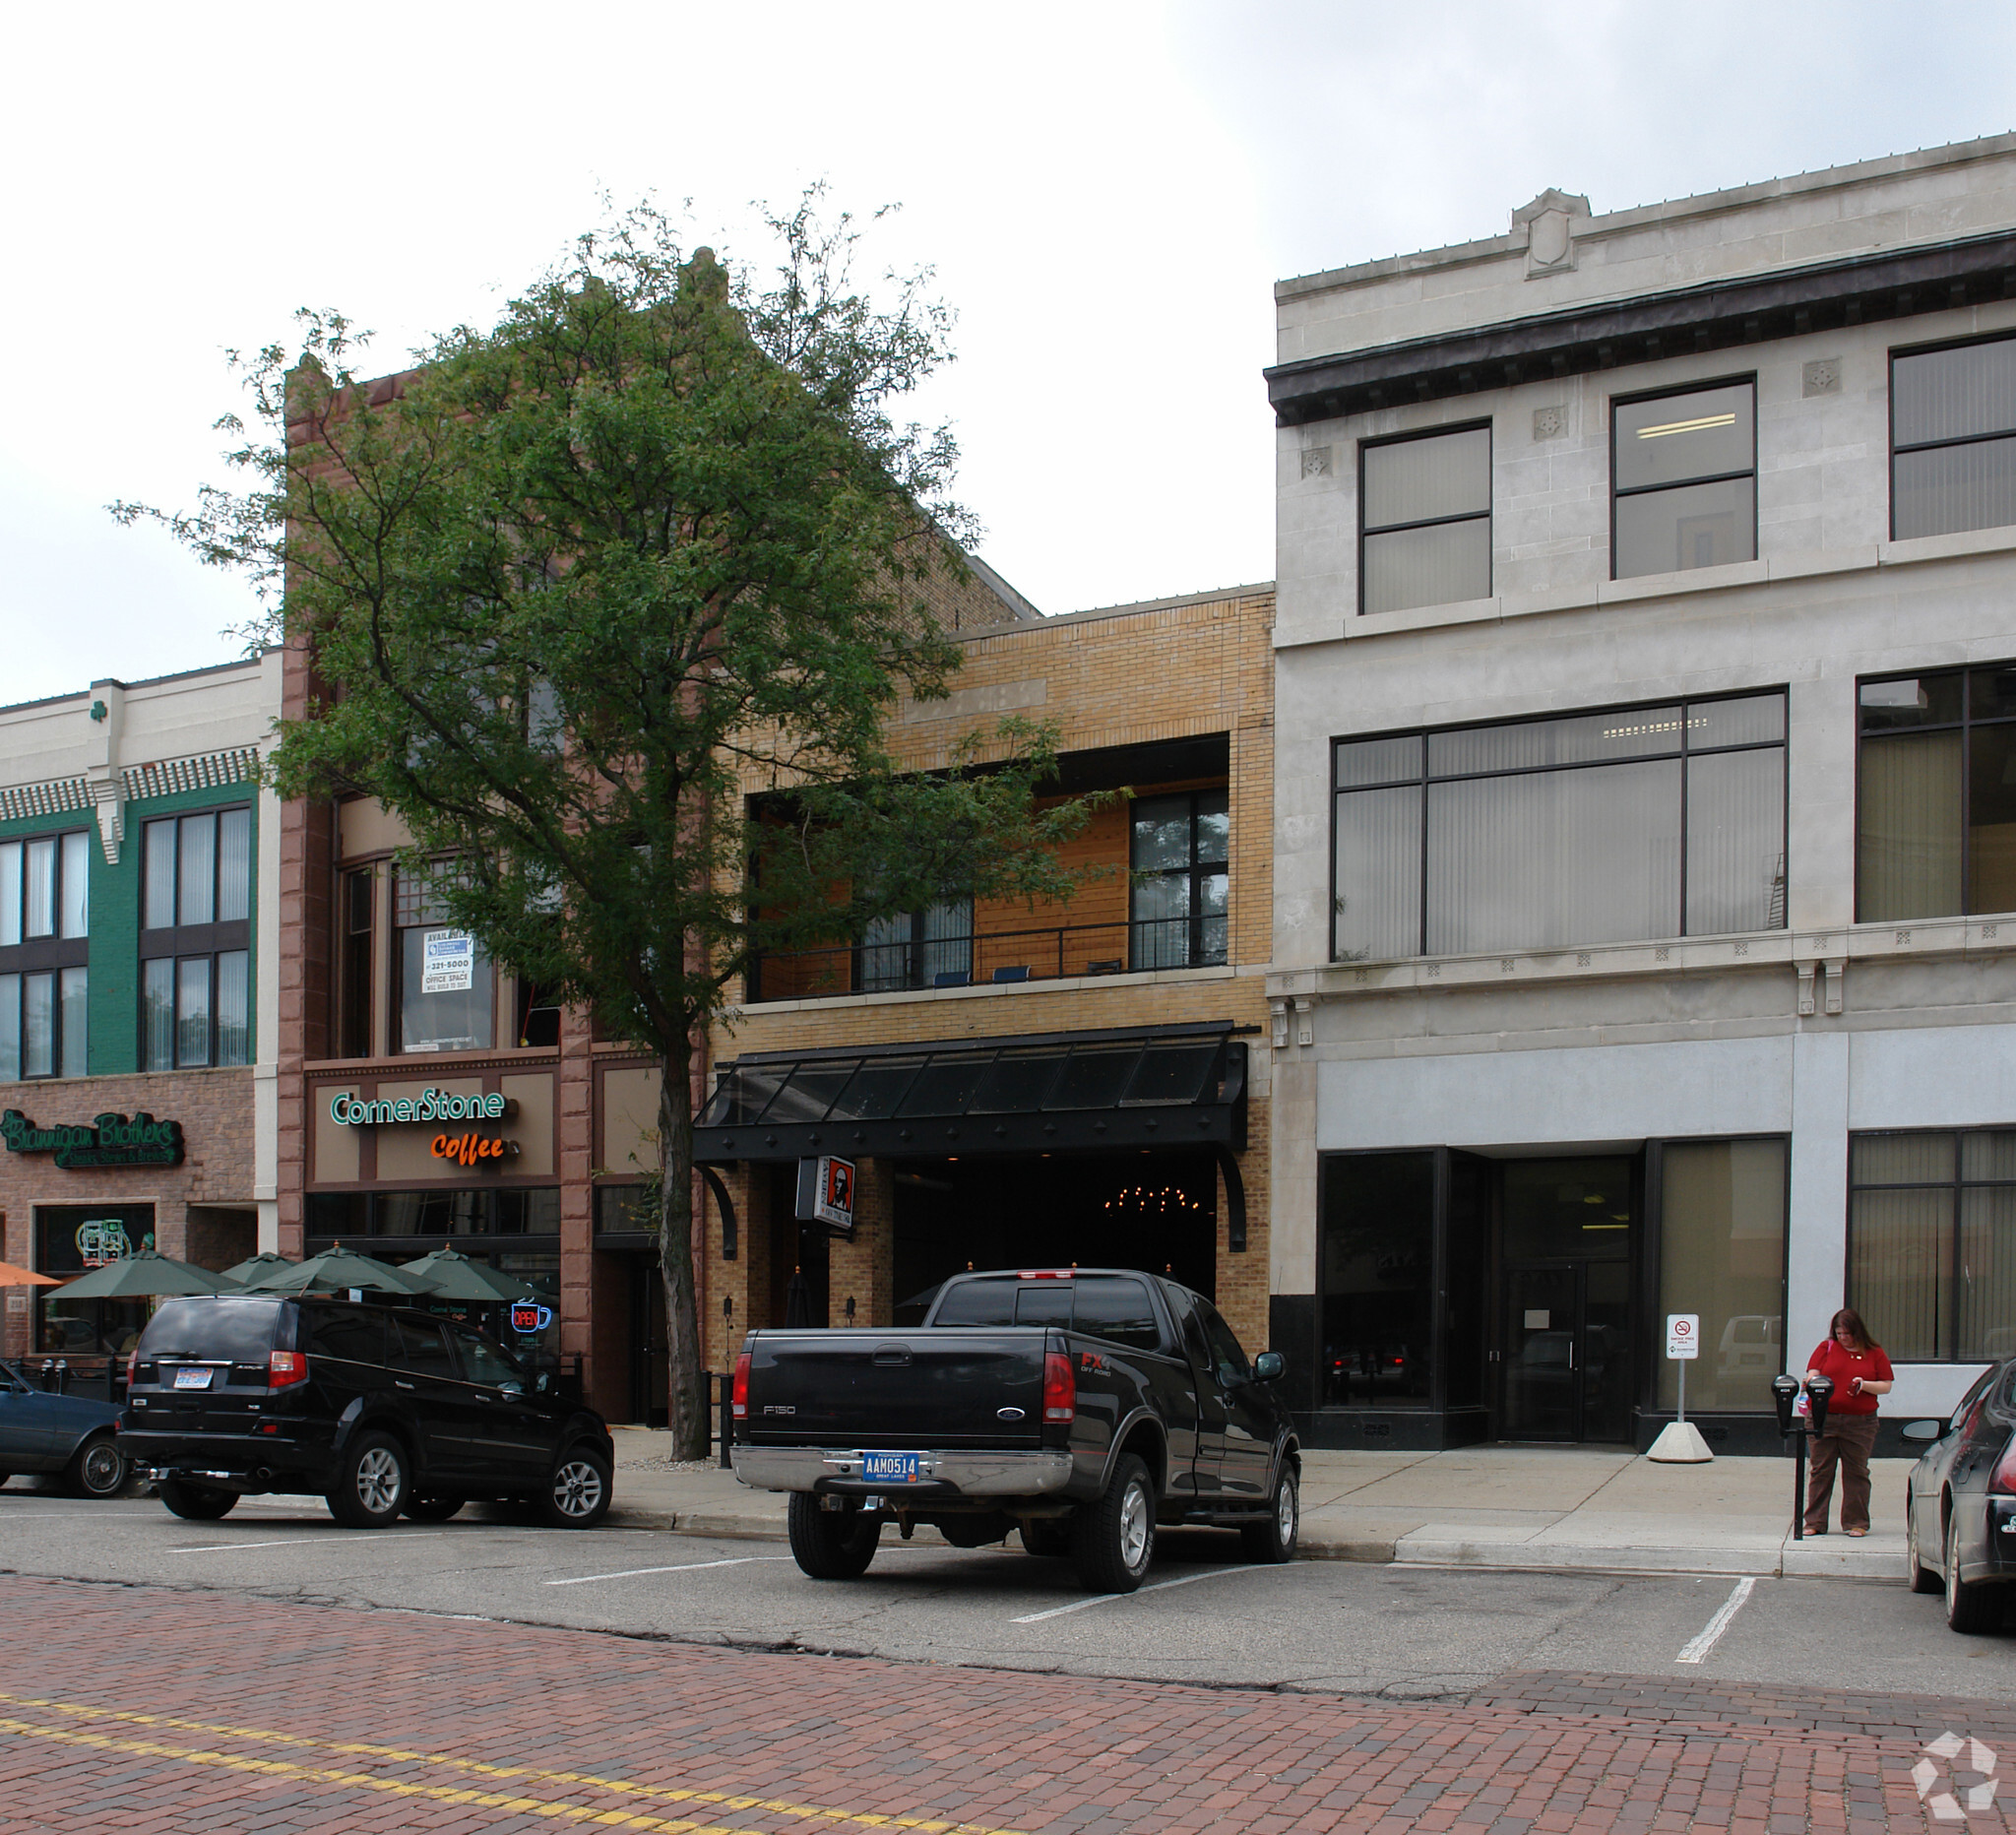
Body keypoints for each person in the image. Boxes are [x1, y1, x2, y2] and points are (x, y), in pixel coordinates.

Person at [1802, 1306, 1893, 1537]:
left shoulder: (1874, 1352)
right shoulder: (1827, 1348)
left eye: (1847, 1334)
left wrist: (1864, 1384)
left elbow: (1886, 1385)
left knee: (1856, 1471)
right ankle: (1815, 1522)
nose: (1843, 1338)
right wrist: (1812, 1381)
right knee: (1821, 1470)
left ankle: (1856, 1522)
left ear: (1857, 1332)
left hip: (1860, 1422)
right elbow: (1813, 1372)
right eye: (1839, 1333)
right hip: (1824, 1418)